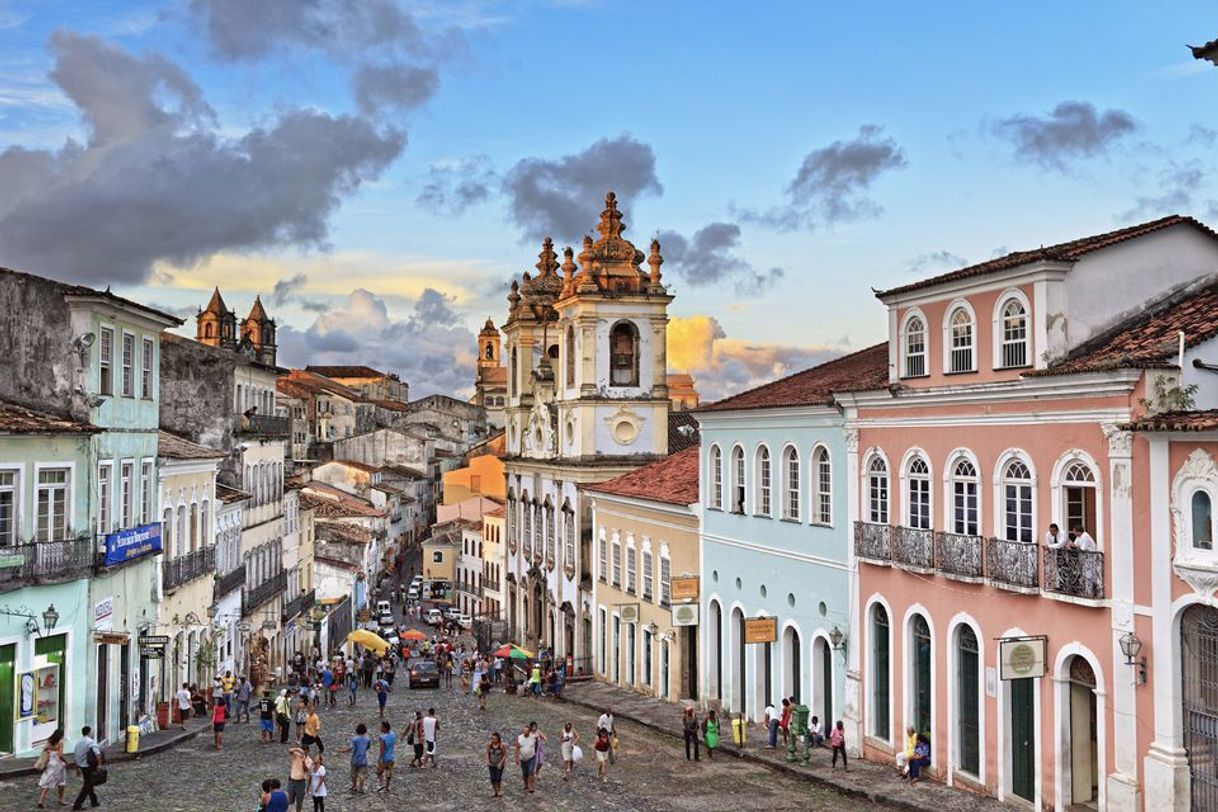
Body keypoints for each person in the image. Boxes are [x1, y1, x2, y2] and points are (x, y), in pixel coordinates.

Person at [71, 725, 103, 811]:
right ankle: (77, 805)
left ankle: (94, 801)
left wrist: (77, 768)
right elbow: (98, 754)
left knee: (89, 783)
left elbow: (76, 756)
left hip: (82, 766)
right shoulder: (90, 742)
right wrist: (99, 764)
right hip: (88, 766)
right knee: (87, 786)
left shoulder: (78, 743)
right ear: (89, 732)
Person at [36, 727, 67, 808]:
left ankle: (40, 800)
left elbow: (45, 749)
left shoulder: (49, 741)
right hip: (58, 764)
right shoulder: (61, 742)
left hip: (50, 762)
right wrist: (65, 761)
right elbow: (60, 755)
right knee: (62, 782)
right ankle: (61, 799)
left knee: (47, 781)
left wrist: (50, 751)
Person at [345, 723, 371, 793]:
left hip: (355, 759)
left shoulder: (355, 739)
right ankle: (361, 787)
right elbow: (368, 747)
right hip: (363, 759)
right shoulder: (367, 739)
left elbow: (351, 748)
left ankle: (354, 786)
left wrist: (343, 750)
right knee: (362, 774)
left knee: (353, 774)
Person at [286, 745, 312, 812]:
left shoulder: (309, 760)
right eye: (303, 751)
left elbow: (306, 770)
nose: (304, 753)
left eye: (306, 752)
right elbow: (289, 751)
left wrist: (303, 761)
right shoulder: (296, 755)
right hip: (292, 780)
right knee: (289, 799)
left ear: (308, 751)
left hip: (300, 782)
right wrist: (297, 749)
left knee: (299, 801)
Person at [515, 722, 538, 793]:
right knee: (525, 773)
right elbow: (517, 748)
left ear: (529, 731)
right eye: (524, 731)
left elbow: (536, 745)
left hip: (531, 757)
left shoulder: (533, 738)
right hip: (523, 759)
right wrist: (517, 758)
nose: (525, 732)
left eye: (527, 731)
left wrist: (535, 752)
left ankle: (530, 785)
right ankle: (526, 784)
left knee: (531, 771)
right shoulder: (519, 738)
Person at [375, 721, 397, 792]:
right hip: (391, 757)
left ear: (385, 728)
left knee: (379, 772)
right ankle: (387, 787)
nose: (380, 728)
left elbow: (382, 749)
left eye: (381, 727)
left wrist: (379, 758)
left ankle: (381, 783)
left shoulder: (382, 737)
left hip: (384, 758)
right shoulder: (393, 734)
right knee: (388, 772)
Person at [486, 731, 508, 798]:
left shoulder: (502, 745)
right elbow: (487, 753)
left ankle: (498, 791)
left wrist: (501, 763)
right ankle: (494, 791)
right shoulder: (489, 745)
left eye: (495, 739)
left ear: (498, 739)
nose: (493, 740)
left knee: (498, 778)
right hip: (492, 764)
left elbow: (505, 755)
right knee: (492, 778)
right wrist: (487, 760)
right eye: (492, 738)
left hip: (499, 765)